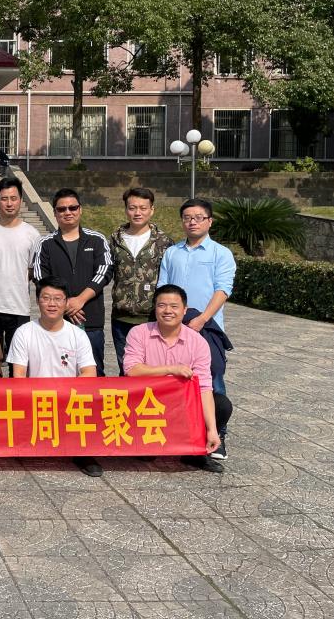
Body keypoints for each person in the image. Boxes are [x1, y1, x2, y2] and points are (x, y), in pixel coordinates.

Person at [158, 198, 236, 460]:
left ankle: (218, 435)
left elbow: (223, 289)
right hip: (174, 328)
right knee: (175, 380)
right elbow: (163, 288)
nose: (192, 222)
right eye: (187, 218)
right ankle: (180, 433)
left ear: (209, 221)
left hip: (206, 327)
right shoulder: (172, 252)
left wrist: (202, 319)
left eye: (198, 217)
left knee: (212, 382)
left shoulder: (220, 254)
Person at [123, 284, 229, 473]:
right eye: (162, 305)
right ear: (155, 308)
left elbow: (204, 387)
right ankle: (148, 444)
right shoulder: (138, 333)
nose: (168, 311)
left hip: (180, 404)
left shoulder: (198, 342)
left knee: (222, 404)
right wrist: (171, 369)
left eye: (174, 306)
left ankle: (195, 453)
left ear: (184, 310)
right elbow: (132, 370)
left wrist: (212, 430)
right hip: (147, 403)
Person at [8, 277, 102, 477]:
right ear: (37, 301)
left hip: (69, 401)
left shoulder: (77, 334)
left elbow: (89, 373)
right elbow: (19, 376)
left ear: (66, 302)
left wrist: (64, 393)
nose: (52, 304)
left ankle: (83, 454)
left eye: (58, 299)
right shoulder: (24, 333)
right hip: (36, 402)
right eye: (46, 298)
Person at [31, 188, 112, 375]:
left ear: (80, 209)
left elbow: (105, 271)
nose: (67, 212)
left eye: (72, 208)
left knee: (93, 374)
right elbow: (40, 277)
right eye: (61, 209)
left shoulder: (97, 240)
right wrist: (66, 304)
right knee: (56, 373)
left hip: (89, 321)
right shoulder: (46, 243)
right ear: (55, 213)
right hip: (56, 323)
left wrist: (80, 300)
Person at [109, 187, 175, 374]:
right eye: (132, 208)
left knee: (153, 369)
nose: (137, 212)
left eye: (143, 208)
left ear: (151, 210)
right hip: (121, 317)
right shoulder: (115, 239)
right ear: (126, 209)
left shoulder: (163, 241)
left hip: (152, 317)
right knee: (127, 369)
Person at [0, 178, 42, 361]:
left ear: (21, 200)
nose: (9, 203)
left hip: (19, 307)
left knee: (19, 363)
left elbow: (32, 271)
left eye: (13, 198)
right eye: (4, 198)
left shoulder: (32, 234)